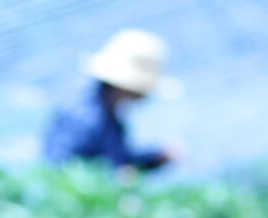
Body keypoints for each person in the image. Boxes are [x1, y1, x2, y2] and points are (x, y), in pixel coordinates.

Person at [44, 29, 175, 171]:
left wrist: (155, 158)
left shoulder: (109, 115)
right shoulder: (84, 116)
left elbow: (119, 159)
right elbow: (61, 166)